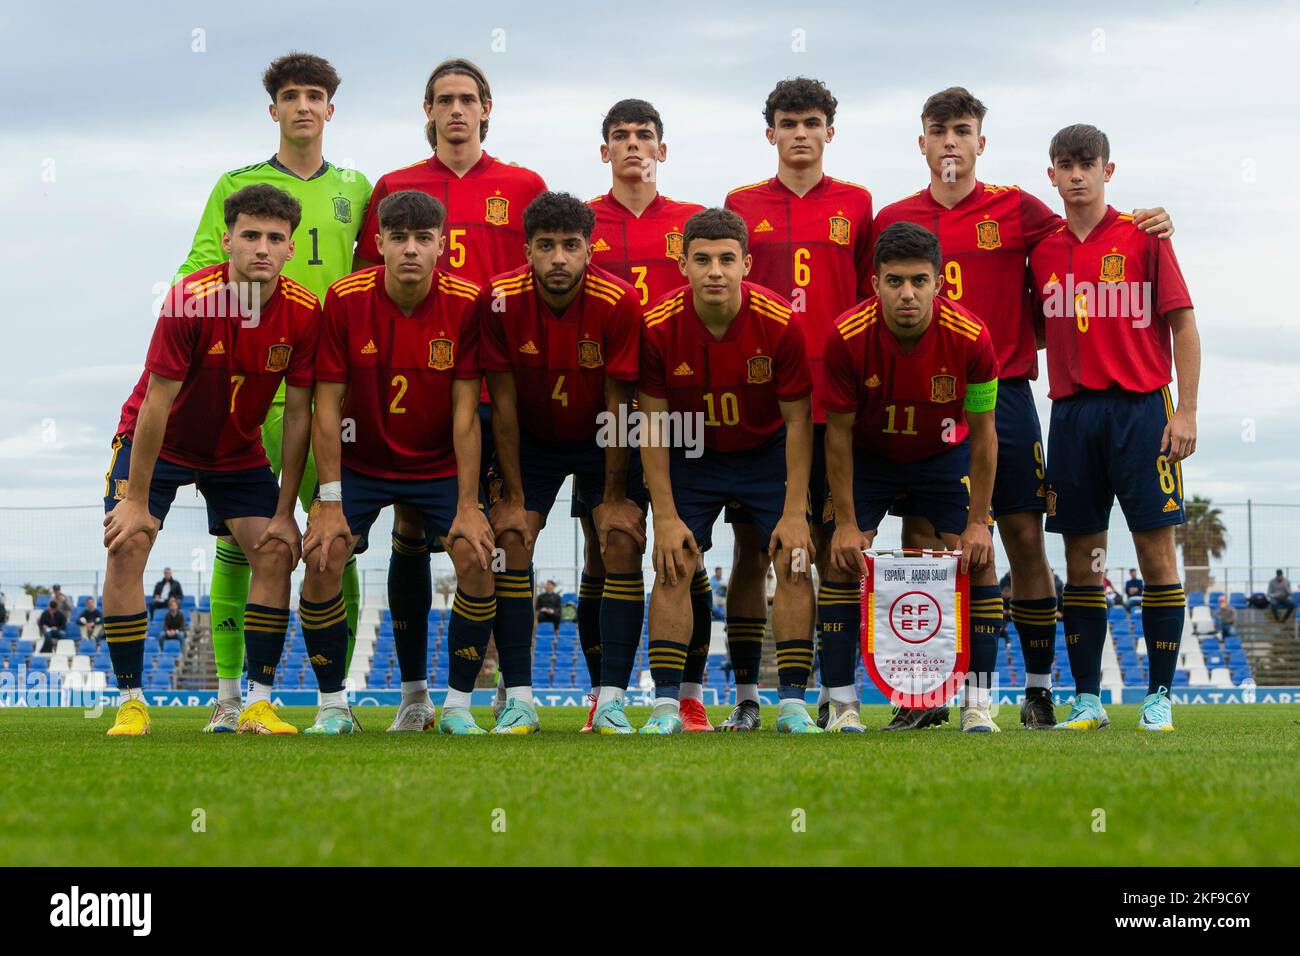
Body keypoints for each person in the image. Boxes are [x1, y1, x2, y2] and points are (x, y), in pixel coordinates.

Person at [873, 87, 1172, 732]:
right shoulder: (893, 219)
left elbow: (1086, 234)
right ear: (920, 142)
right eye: (938, 130)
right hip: (921, 399)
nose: (950, 141)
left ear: (981, 141)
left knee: (1023, 538)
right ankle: (921, 692)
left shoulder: (1019, 210)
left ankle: (1036, 690)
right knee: (923, 540)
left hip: (1004, 394)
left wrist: (1149, 219)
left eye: (962, 129)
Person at [176, 52, 372, 731]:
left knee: (331, 536)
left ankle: (332, 700)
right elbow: (200, 267)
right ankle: (230, 698)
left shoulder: (356, 186)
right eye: (291, 96)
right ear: (274, 110)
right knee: (242, 544)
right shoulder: (237, 184)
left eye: (315, 95)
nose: (303, 107)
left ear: (330, 108)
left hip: (331, 395)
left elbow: (373, 280)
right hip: (253, 390)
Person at [355, 58, 547, 724]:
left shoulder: (524, 186)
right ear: (428, 111)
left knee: (503, 536)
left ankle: (508, 688)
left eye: (469, 99)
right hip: (421, 392)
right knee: (410, 530)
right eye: (445, 100)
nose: (457, 110)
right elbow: (366, 292)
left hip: (499, 389)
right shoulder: (395, 186)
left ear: (488, 108)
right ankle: (414, 695)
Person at [100, 183, 318, 737]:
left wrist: (286, 510)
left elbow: (298, 416)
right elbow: (157, 402)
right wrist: (138, 501)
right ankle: (130, 703)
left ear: (291, 247)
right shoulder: (189, 300)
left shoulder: (304, 312)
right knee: (128, 545)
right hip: (160, 443)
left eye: (275, 237)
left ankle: (258, 704)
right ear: (228, 241)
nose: (262, 248)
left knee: (274, 552)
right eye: (250, 235)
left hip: (235, 450)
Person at [303, 189, 495, 735]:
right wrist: (330, 502)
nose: (410, 249)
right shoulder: (343, 298)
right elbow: (326, 408)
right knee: (323, 554)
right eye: (399, 238)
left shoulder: (466, 301)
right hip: (361, 461)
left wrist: (467, 504)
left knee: (479, 557)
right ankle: (333, 707)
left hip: (435, 463)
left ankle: (454, 707)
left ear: (442, 246)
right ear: (380, 243)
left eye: (422, 239)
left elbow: (465, 413)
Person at [1029, 124, 1200, 733]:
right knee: (1083, 559)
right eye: (1064, 165)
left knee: (1158, 555)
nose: (1076, 175)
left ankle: (1159, 697)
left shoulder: (1143, 236)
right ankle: (1088, 700)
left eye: (1086, 164)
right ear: (1050, 174)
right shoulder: (1041, 250)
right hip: (1073, 417)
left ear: (1108, 170)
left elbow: (1183, 325)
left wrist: (1186, 410)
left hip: (1141, 414)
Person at [722, 77, 874, 730]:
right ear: (771, 134)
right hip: (764, 413)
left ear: (830, 132)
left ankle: (832, 695)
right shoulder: (740, 203)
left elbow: (874, 295)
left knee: (830, 550)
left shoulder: (859, 205)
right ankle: (748, 700)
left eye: (813, 122)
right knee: (752, 554)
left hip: (836, 409)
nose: (801, 134)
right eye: (789, 123)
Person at [635, 207, 820, 734]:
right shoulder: (657, 326)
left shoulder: (780, 323)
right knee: (674, 560)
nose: (714, 271)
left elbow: (799, 423)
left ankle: (790, 706)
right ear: (682, 264)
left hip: (766, 454)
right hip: (694, 454)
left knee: (794, 558)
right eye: (702, 260)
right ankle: (667, 707)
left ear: (747, 264)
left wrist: (794, 511)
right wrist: (665, 517)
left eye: (725, 259)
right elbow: (650, 427)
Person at [820, 221, 998, 732]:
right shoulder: (846, 337)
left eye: (919, 281)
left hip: (942, 457)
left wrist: (980, 521)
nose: (907, 293)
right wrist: (848, 523)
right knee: (841, 558)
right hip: (870, 456)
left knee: (980, 559)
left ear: (939, 283)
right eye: (894, 281)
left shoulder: (972, 337)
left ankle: (978, 703)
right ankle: (842, 705)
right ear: (874, 283)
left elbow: (985, 435)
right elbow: (836, 436)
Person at [482, 191, 648, 734]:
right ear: (526, 248)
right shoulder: (500, 299)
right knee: (509, 539)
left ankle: (612, 700)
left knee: (619, 539)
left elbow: (621, 405)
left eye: (570, 246)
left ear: (589, 248)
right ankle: (519, 700)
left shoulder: (619, 300)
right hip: (529, 439)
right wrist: (508, 495)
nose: (558, 258)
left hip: (602, 438)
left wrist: (617, 498)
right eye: (546, 246)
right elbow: (502, 407)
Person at [585, 99, 713, 731]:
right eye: (620, 136)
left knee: (680, 550)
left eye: (645, 136)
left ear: (663, 149)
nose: (633, 145)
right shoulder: (581, 224)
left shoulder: (695, 225)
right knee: (606, 550)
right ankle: (603, 695)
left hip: (679, 413)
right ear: (604, 150)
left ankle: (686, 694)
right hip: (604, 410)